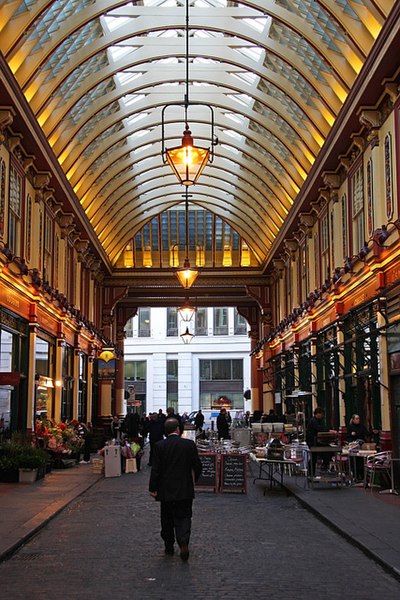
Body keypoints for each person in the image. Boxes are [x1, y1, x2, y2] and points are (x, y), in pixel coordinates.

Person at [149, 417, 202, 561]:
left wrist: (153, 488)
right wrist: (193, 480)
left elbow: (156, 470)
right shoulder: (189, 445)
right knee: (184, 517)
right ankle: (183, 542)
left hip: (165, 489)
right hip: (184, 489)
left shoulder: (159, 446)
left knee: (166, 518)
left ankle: (168, 545)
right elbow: (197, 466)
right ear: (178, 429)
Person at [306, 407, 336, 475]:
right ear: (318, 414)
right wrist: (329, 431)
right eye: (322, 414)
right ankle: (314, 472)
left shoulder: (317, 421)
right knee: (315, 457)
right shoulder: (313, 421)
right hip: (313, 442)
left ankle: (313, 473)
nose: (323, 416)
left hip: (315, 442)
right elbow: (319, 428)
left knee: (314, 457)